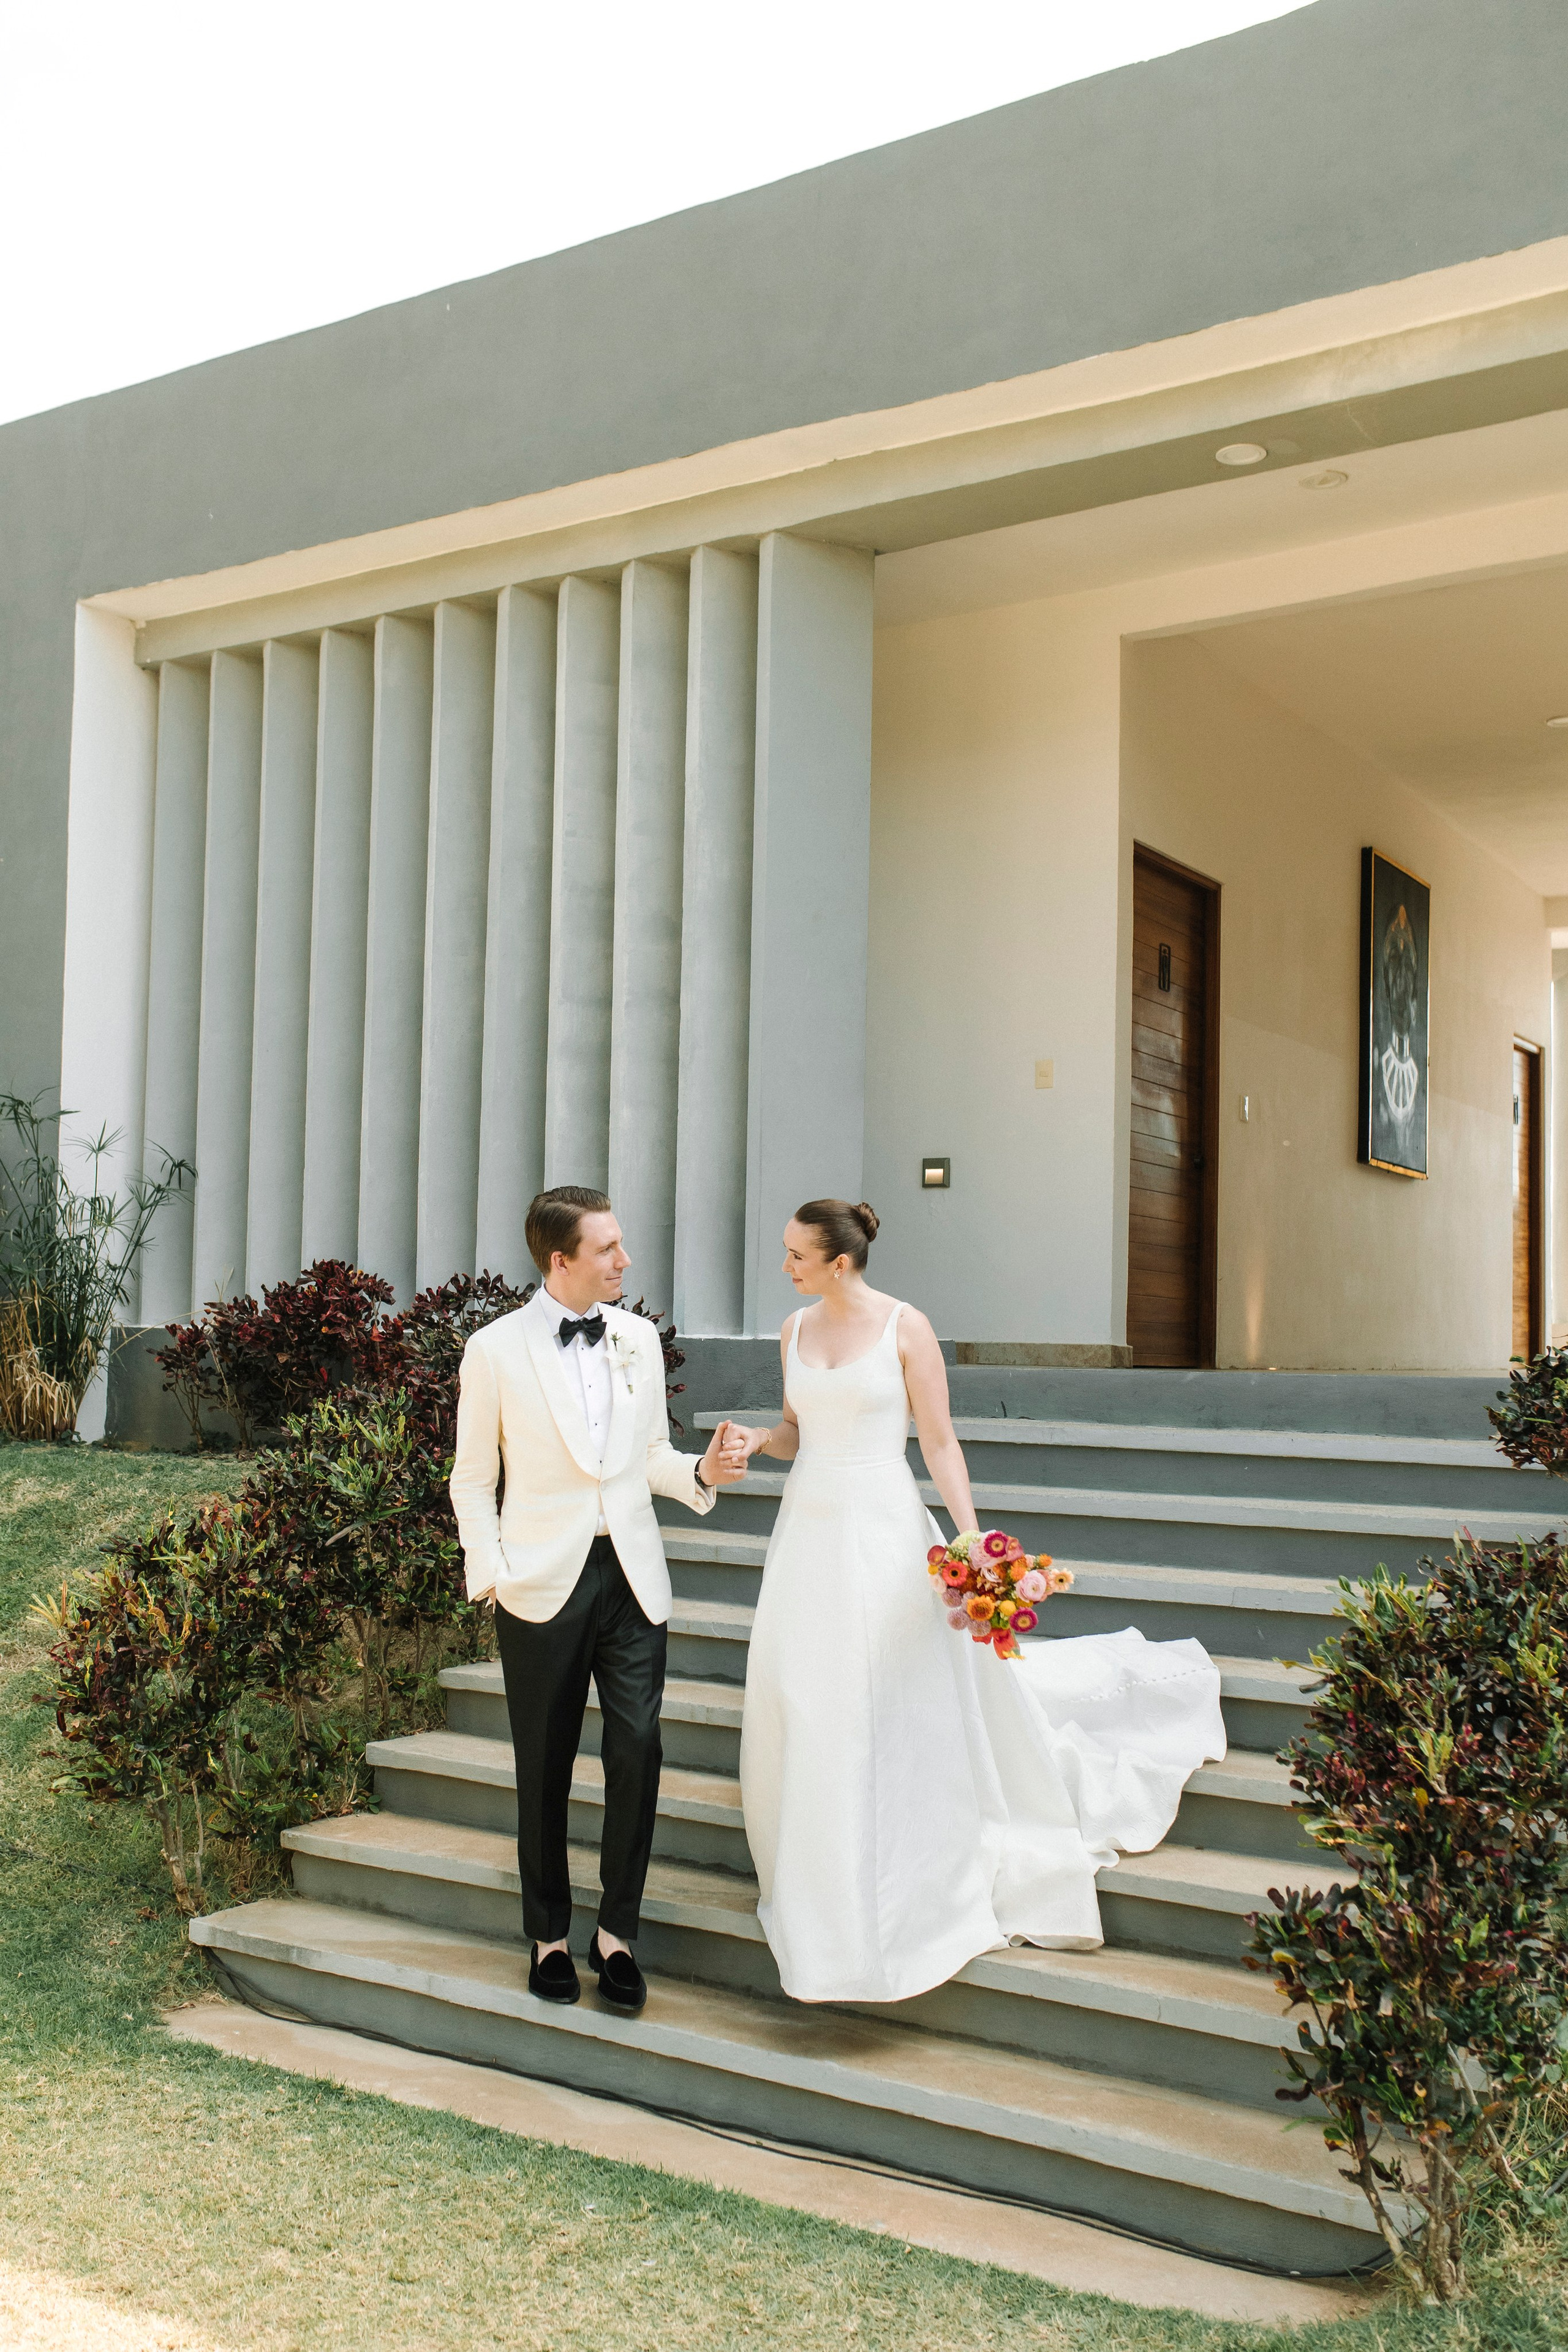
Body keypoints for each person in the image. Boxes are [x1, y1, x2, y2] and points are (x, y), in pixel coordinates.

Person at [722, 1198, 1226, 2005]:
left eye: (796, 1256)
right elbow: (794, 1430)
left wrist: (972, 1543)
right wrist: (756, 1439)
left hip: (882, 1530)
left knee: (879, 1696)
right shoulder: (794, 1330)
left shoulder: (906, 1328)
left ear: (839, 1263)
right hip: (807, 1535)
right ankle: (818, 1868)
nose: (785, 1267)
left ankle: (895, 1868)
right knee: (808, 1694)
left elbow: (939, 1440)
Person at [449, 1184, 744, 2013]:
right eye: (608, 1248)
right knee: (543, 1763)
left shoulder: (637, 1339)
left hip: (632, 1577)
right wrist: (493, 1575)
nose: (625, 1259)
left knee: (638, 1750)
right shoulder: (494, 1350)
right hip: (541, 1582)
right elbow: (471, 1480)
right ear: (561, 1260)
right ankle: (547, 1937)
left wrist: (702, 1472)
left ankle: (617, 1935)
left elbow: (649, 1455)